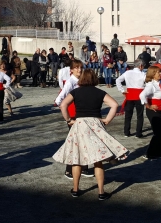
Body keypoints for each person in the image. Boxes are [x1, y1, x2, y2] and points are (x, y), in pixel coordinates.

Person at [53, 69, 128, 201]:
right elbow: (114, 105)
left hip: (79, 124)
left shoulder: (75, 91)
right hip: (95, 124)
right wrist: (107, 120)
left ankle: (75, 190)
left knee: (77, 158)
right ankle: (101, 192)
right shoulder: (100, 92)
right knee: (98, 160)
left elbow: (63, 104)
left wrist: (69, 120)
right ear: (94, 79)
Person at [54, 59, 93, 179]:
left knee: (84, 141)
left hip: (82, 114)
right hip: (74, 116)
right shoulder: (70, 82)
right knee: (75, 143)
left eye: (80, 67)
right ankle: (68, 170)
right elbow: (59, 100)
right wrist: (67, 117)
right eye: (76, 67)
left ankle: (84, 168)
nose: (79, 69)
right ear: (71, 70)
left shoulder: (82, 80)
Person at [139, 66, 161, 160]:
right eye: (158, 72)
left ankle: (159, 152)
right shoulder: (151, 85)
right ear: (153, 74)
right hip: (153, 111)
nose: (160, 74)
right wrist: (148, 106)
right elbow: (142, 95)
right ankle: (149, 153)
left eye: (160, 72)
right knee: (158, 132)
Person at [116, 59, 145, 138]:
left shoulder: (127, 72)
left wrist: (122, 90)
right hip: (139, 96)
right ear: (140, 66)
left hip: (130, 95)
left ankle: (126, 132)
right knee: (140, 115)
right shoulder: (143, 74)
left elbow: (118, 80)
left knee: (128, 115)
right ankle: (138, 133)